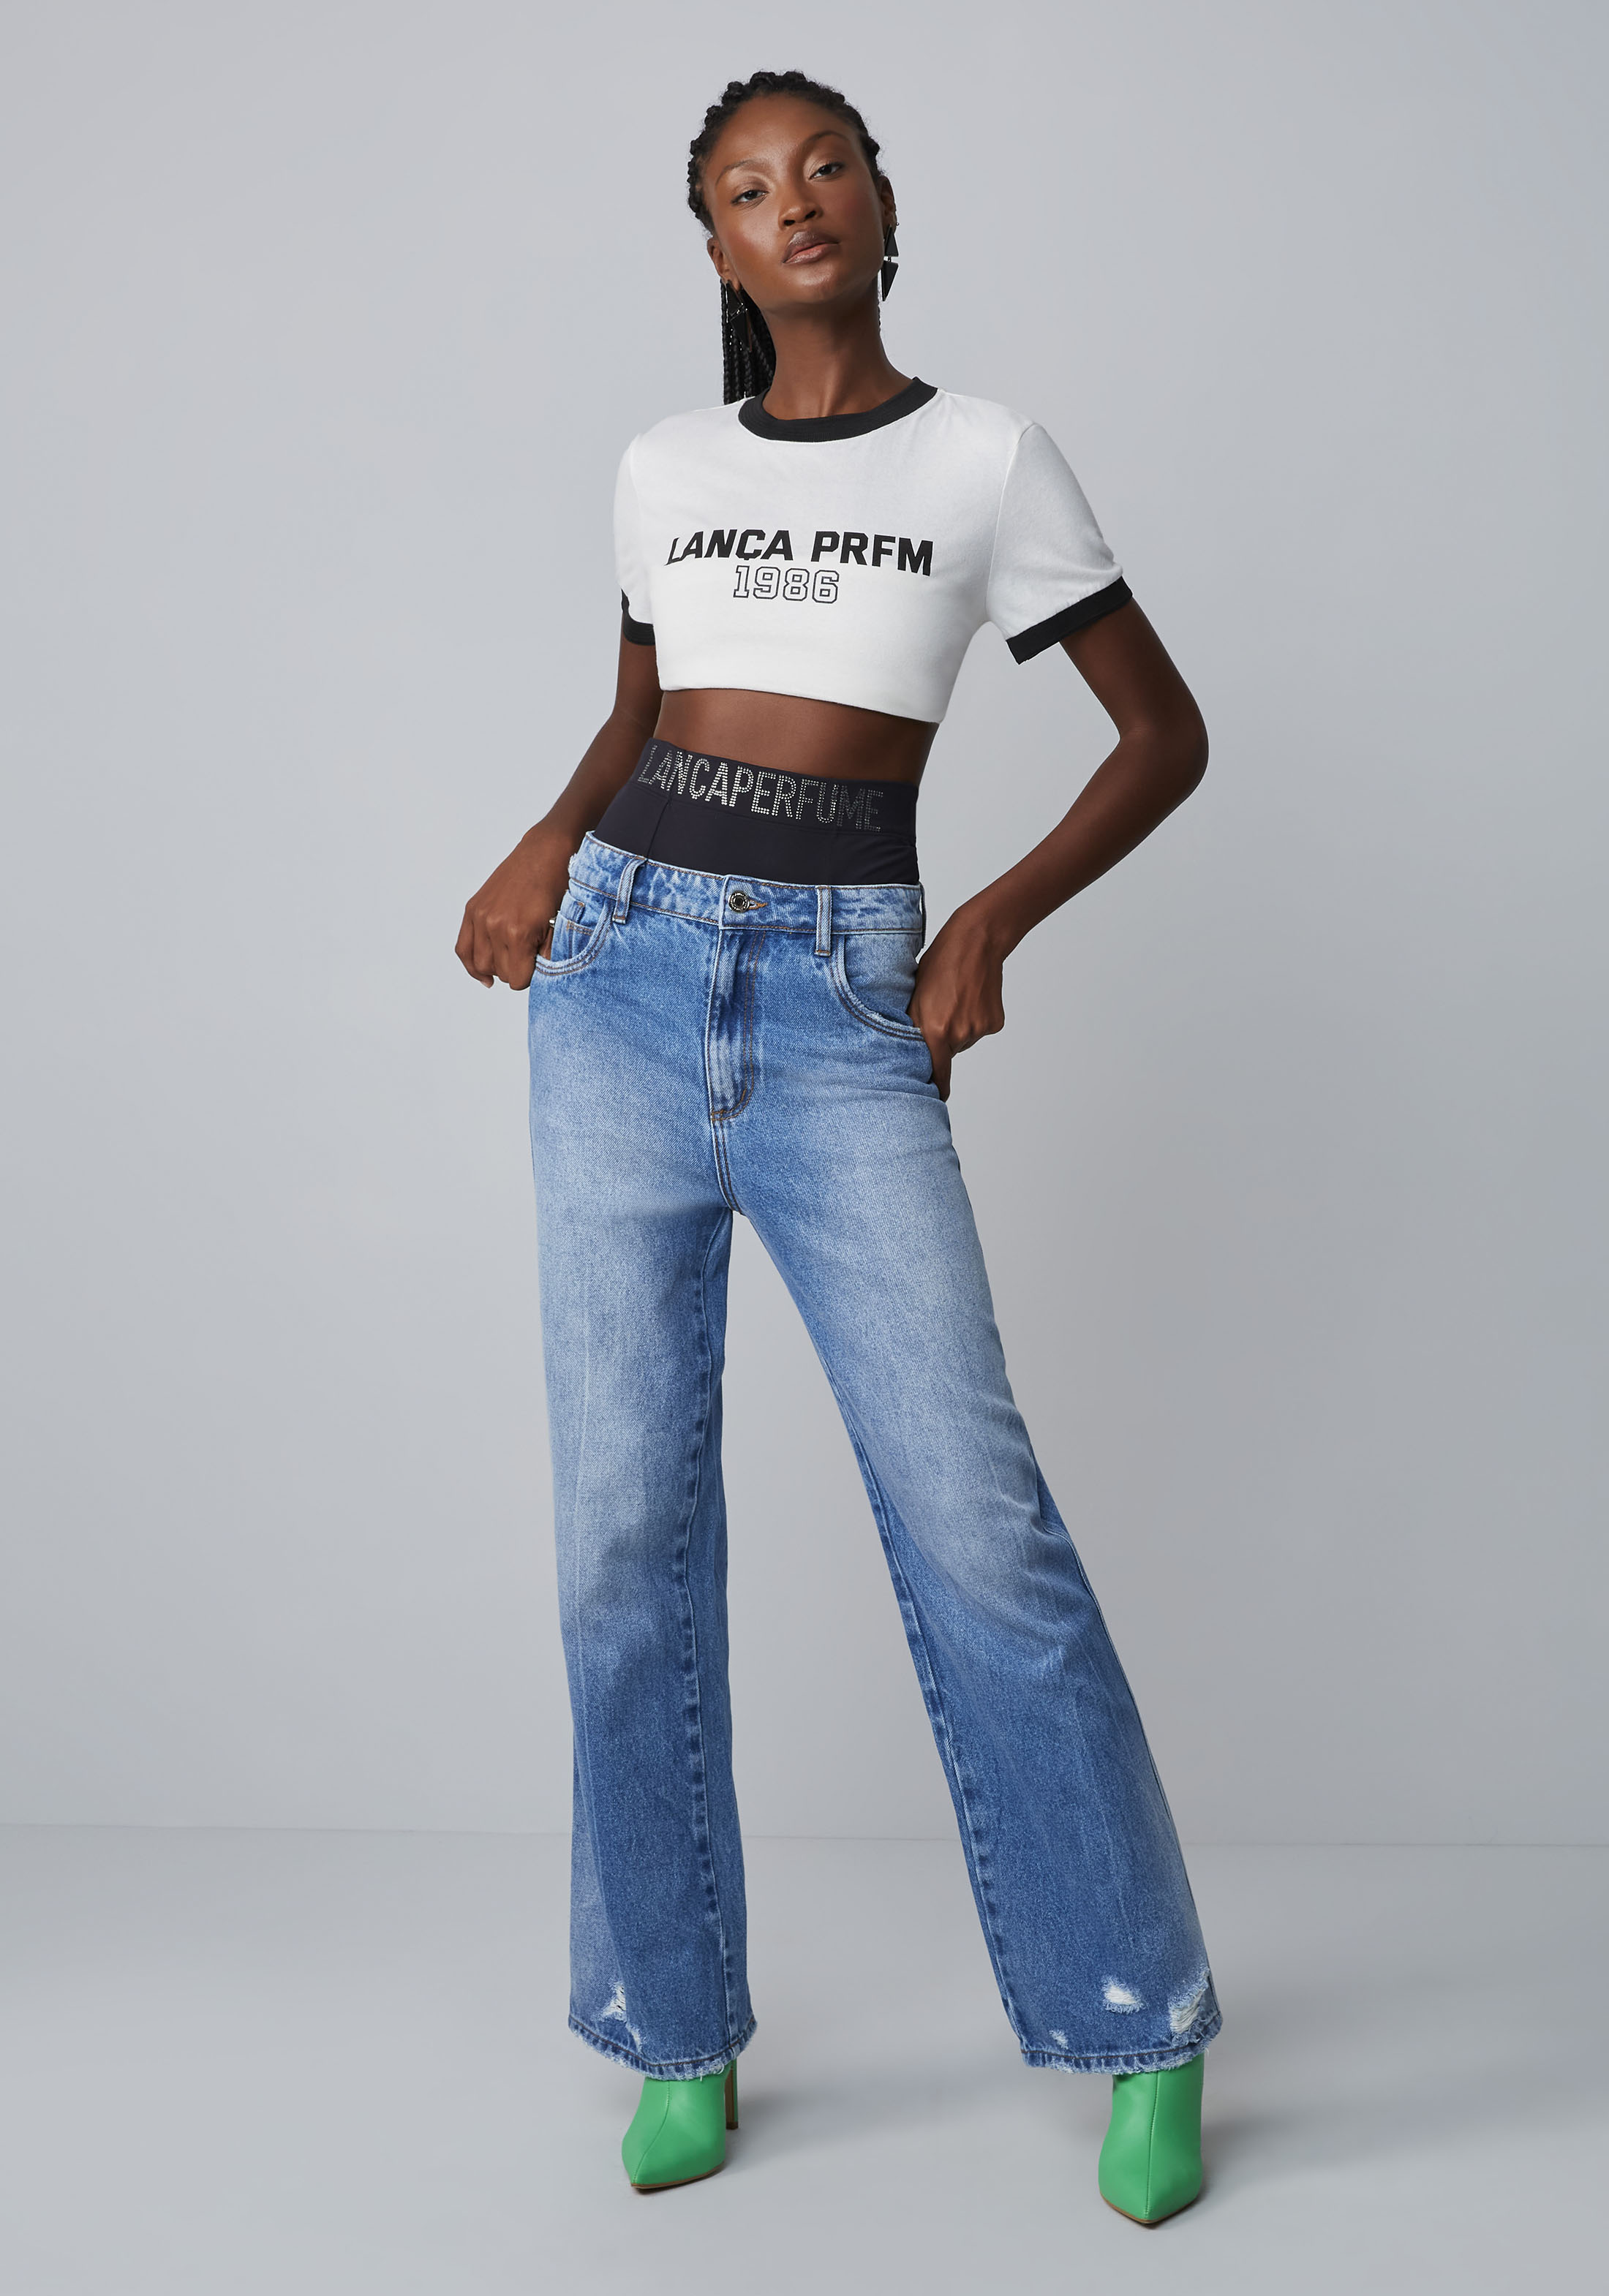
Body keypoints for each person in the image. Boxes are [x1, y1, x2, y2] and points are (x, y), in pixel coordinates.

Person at [456, 69, 1218, 2224]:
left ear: (884, 201)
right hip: (617, 977)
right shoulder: (665, 467)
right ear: (711, 244)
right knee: (621, 1531)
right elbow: (644, 708)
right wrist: (542, 844)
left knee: (975, 1520)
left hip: (841, 992)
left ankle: (1139, 2018)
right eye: (743, 188)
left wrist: (990, 920)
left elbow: (1163, 733)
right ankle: (672, 2022)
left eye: (822, 170)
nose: (789, 204)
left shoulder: (988, 459)